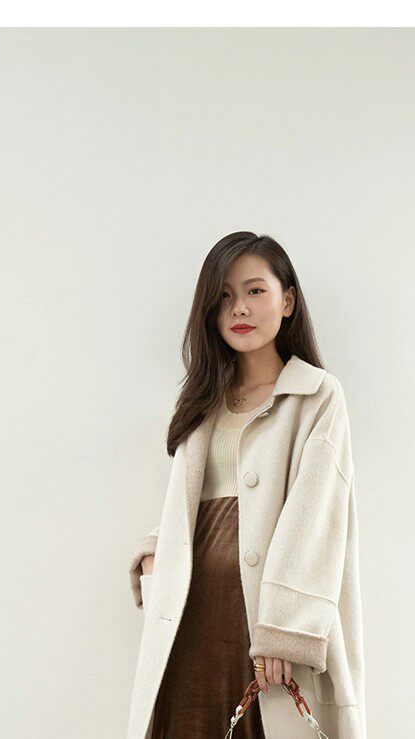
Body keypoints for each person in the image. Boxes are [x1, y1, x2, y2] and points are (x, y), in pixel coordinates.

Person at [126, 232, 366, 738]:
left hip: (263, 614)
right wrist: (155, 552)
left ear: (288, 300)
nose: (239, 308)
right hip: (190, 610)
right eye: (224, 296)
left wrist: (283, 628)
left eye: (255, 291)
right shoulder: (202, 401)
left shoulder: (316, 395)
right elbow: (190, 502)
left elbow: (316, 517)